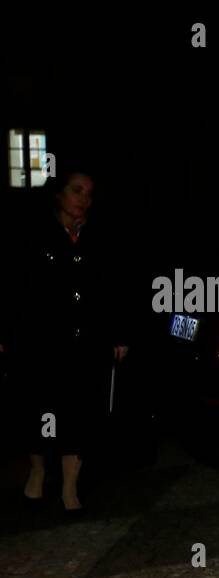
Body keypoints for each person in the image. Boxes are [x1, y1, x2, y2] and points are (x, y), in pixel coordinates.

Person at [1, 166, 126, 513]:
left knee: (81, 413)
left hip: (86, 342)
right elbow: (14, 288)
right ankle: (39, 470)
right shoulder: (32, 234)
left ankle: (70, 486)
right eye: (76, 191)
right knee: (40, 410)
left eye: (88, 193)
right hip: (40, 342)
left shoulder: (100, 237)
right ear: (59, 194)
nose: (83, 200)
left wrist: (119, 334)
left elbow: (115, 288)